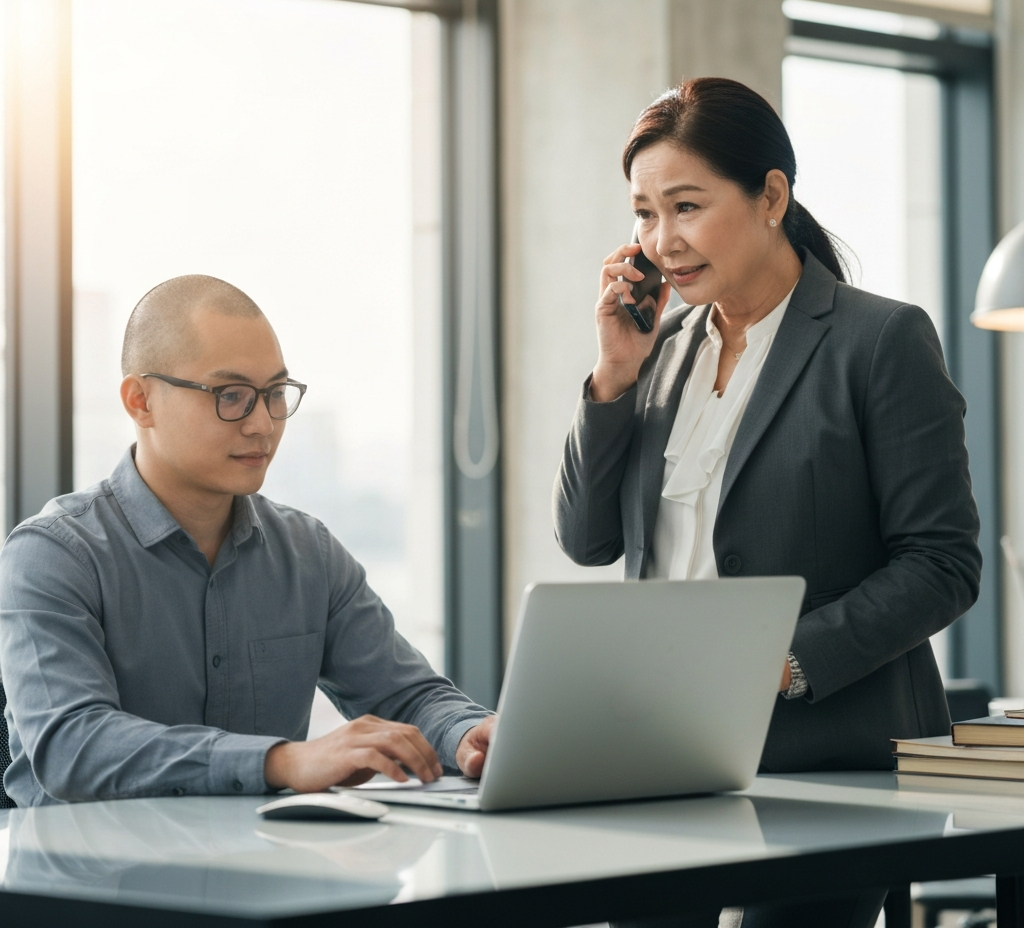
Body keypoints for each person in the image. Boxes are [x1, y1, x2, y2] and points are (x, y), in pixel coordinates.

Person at [553, 77, 981, 928]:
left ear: (771, 196)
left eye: (686, 206)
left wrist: (779, 665)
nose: (661, 240)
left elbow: (942, 564)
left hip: (833, 761)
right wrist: (611, 377)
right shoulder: (660, 348)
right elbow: (586, 539)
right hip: (665, 757)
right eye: (643, 214)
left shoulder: (879, 340)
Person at [0, 275, 493, 806]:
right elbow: (73, 746)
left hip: (261, 870)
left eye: (275, 393)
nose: (262, 423)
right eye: (230, 395)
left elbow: (406, 694)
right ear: (140, 401)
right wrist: (281, 761)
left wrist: (466, 734)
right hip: (83, 880)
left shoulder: (309, 554)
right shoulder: (53, 555)